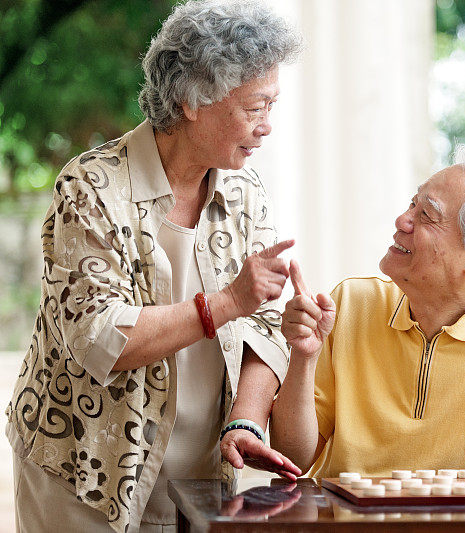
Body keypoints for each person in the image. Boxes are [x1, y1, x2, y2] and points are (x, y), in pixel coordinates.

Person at [6, 1, 303, 531]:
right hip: (85, 470)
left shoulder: (244, 189)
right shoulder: (91, 187)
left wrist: (247, 420)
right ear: (193, 101)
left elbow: (263, 323)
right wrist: (228, 301)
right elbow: (100, 337)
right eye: (255, 107)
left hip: (202, 476)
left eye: (272, 106)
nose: (267, 128)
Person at [220, 146, 465, 477]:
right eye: (413, 203)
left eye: (427, 214)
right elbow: (294, 455)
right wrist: (303, 356)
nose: (403, 219)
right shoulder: (352, 303)